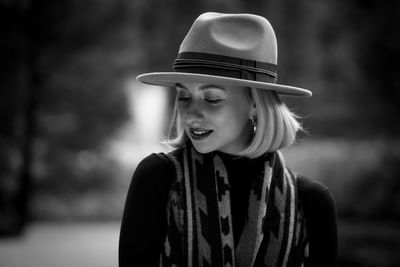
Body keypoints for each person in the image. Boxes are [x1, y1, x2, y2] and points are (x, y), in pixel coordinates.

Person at [119, 12, 337, 267]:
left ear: (255, 104)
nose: (191, 115)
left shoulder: (312, 203)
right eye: (183, 97)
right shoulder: (158, 179)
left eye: (211, 99)